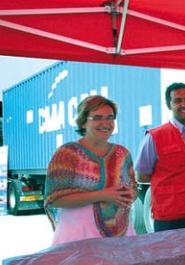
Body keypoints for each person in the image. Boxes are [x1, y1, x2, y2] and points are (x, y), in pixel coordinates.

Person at [45, 95, 136, 245]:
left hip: (120, 232)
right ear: (83, 122)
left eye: (110, 118)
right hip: (77, 234)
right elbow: (55, 199)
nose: (105, 123)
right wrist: (102, 195)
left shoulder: (122, 153)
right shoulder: (68, 153)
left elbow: (134, 189)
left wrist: (127, 195)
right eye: (97, 118)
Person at [135, 83, 185, 232]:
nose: (184, 104)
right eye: (178, 101)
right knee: (170, 256)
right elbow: (142, 175)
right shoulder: (155, 137)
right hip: (169, 217)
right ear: (168, 105)